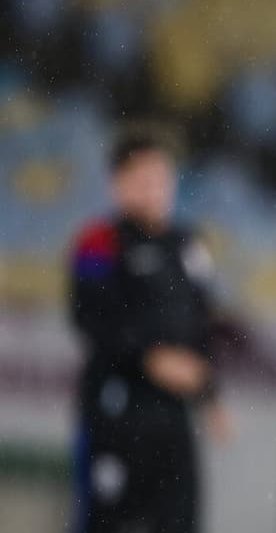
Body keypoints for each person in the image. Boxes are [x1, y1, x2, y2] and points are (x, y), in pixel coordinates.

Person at [69, 124, 230, 533]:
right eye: (142, 179)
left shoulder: (188, 245)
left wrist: (210, 392)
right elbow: (90, 318)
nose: (153, 189)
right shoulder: (98, 241)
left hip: (173, 415)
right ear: (117, 184)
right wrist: (150, 358)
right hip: (116, 408)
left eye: (161, 179)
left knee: (179, 520)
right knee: (110, 521)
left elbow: (202, 321)